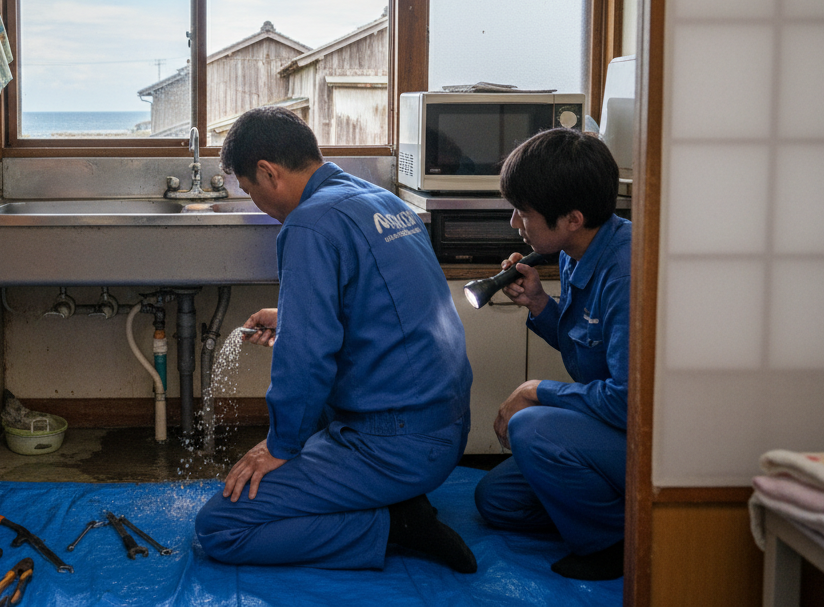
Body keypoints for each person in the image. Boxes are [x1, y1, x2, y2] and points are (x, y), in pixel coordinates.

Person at [194, 106, 476, 573]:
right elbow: (386, 308)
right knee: (318, 404)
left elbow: (304, 362)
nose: (257, 205)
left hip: (400, 446)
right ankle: (392, 500)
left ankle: (392, 525)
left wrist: (279, 446)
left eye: (250, 191)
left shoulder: (309, 224)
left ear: (268, 172)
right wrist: (295, 317)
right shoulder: (379, 200)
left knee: (221, 528)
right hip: (446, 425)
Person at [472, 127, 632, 581]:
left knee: (532, 427)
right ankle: (619, 511)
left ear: (573, 218)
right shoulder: (573, 251)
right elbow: (589, 348)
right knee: (496, 501)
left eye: (523, 212)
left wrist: (537, 389)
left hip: (651, 440)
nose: (514, 224)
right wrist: (540, 305)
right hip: (607, 426)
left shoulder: (625, 272)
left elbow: (627, 400)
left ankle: (614, 544)